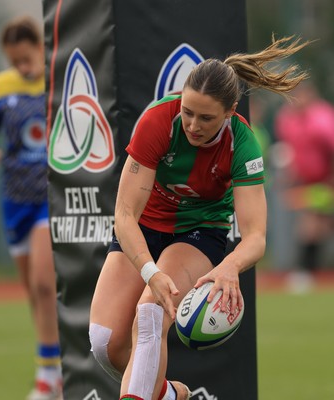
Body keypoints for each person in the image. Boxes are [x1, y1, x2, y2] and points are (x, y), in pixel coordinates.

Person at [89, 36, 309, 400]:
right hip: (144, 228)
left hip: (197, 233)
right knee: (105, 343)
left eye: (206, 117)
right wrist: (150, 271)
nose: (193, 124)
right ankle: (172, 395)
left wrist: (230, 266)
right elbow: (125, 215)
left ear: (230, 111)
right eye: (188, 112)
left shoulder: (243, 142)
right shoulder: (158, 120)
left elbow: (255, 237)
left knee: (150, 315)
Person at [0, 16, 62, 400]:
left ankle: (48, 376)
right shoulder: (0, 87)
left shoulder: (59, 75)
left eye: (27, 57)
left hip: (49, 198)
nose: (22, 66)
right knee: (34, 294)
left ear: (40, 46)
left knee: (43, 279)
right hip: (13, 199)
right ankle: (53, 367)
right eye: (14, 60)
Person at [274, 80, 334, 288]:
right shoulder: (287, 119)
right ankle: (309, 273)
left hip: (326, 181)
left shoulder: (323, 118)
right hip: (308, 183)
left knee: (313, 226)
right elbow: (294, 153)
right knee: (312, 225)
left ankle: (306, 273)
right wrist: (288, 176)